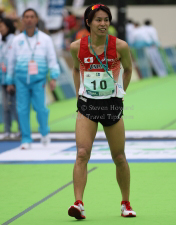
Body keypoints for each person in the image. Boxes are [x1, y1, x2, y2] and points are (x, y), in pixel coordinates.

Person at [68, 4, 136, 220]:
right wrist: (80, 95)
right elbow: (76, 68)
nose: (103, 24)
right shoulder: (76, 47)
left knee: (119, 156)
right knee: (81, 153)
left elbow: (128, 69)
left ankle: (125, 203)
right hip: (87, 106)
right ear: (88, 22)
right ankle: (78, 203)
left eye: (106, 19)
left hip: (112, 106)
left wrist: (120, 93)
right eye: (98, 20)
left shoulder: (121, 46)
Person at [6, 8, 60, 149]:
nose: (29, 19)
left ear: (36, 19)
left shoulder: (45, 39)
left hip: (39, 80)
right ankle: (26, 139)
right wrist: (10, 80)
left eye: (32, 16)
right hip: (21, 80)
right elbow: (11, 62)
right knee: (22, 109)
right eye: (26, 17)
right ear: (23, 20)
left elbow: (52, 59)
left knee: (41, 109)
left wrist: (53, 77)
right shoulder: (17, 40)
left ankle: (44, 133)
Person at [0, 17, 20, 139]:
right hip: (2, 77)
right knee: (5, 105)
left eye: (2, 26)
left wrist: (11, 79)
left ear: (8, 27)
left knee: (13, 104)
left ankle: (21, 129)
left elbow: (13, 60)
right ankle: (7, 130)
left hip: (12, 78)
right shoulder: (1, 40)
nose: (0, 29)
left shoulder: (15, 40)